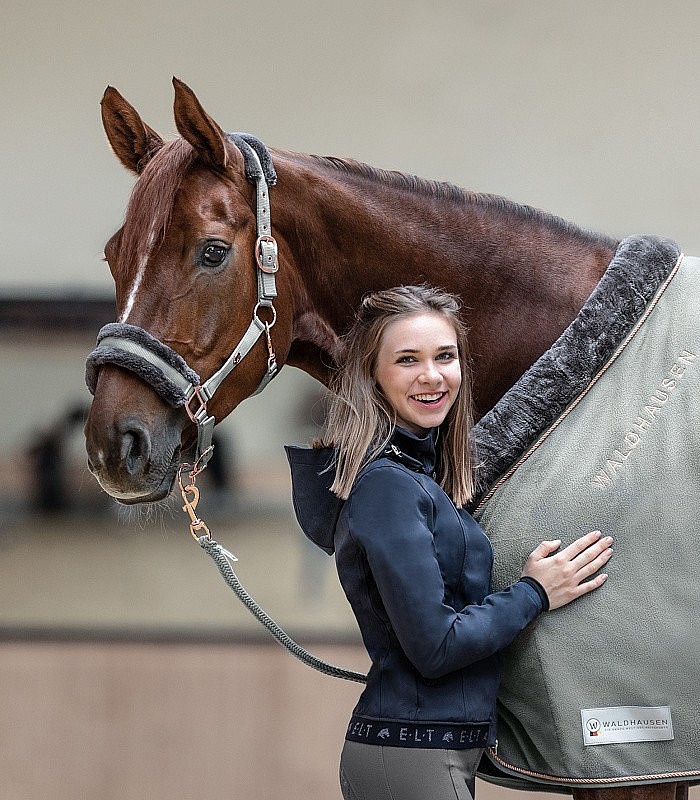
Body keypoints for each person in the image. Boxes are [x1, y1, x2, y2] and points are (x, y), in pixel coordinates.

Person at [285, 285, 613, 800]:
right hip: (413, 758)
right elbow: (436, 645)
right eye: (408, 360)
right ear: (373, 374)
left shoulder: (420, 479)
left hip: (431, 754)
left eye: (446, 356)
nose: (432, 375)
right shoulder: (389, 487)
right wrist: (535, 591)